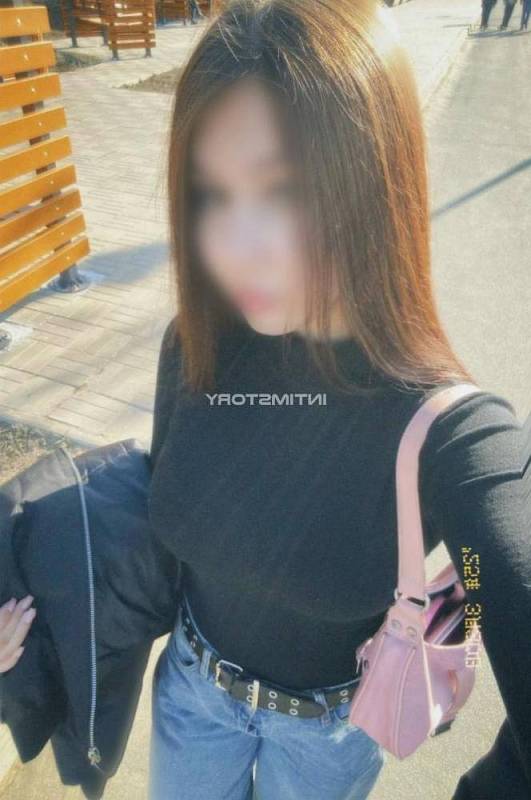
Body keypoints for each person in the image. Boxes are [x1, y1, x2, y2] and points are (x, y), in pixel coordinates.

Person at [1, 1, 529, 799]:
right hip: (191, 700)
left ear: (373, 180)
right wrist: (31, 611)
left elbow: (484, 580)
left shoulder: (449, 432)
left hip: (327, 738)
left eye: (282, 191)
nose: (236, 245)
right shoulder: (195, 347)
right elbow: (162, 520)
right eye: (212, 195)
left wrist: (469, 610)